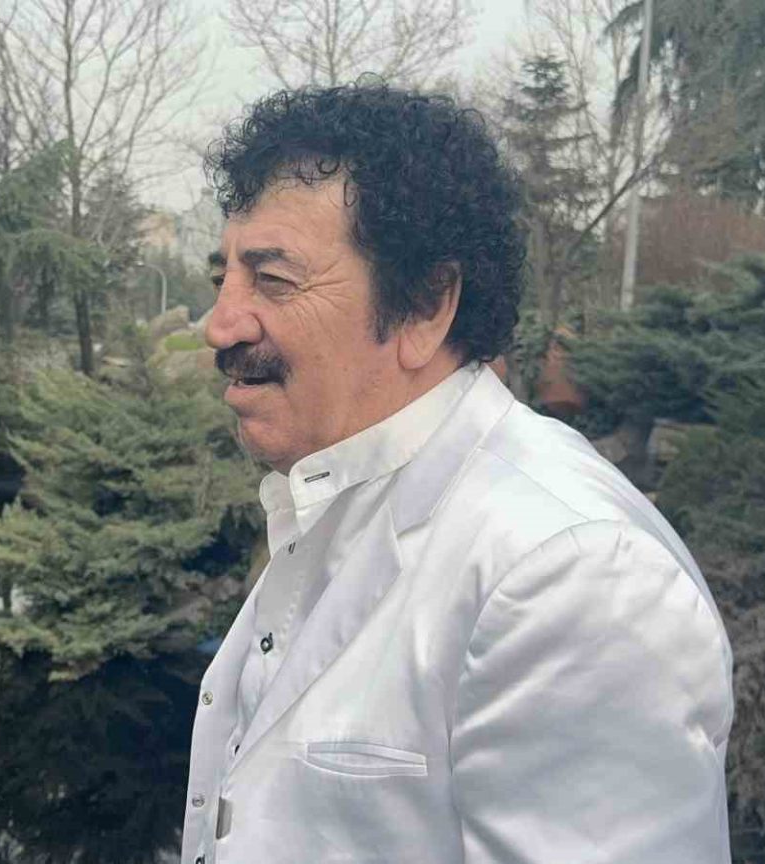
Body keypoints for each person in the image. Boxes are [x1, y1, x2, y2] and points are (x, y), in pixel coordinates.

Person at [182, 83, 733, 863]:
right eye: (224, 278)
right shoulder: (330, 499)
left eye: (272, 280)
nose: (220, 324)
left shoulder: (571, 573)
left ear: (426, 307)